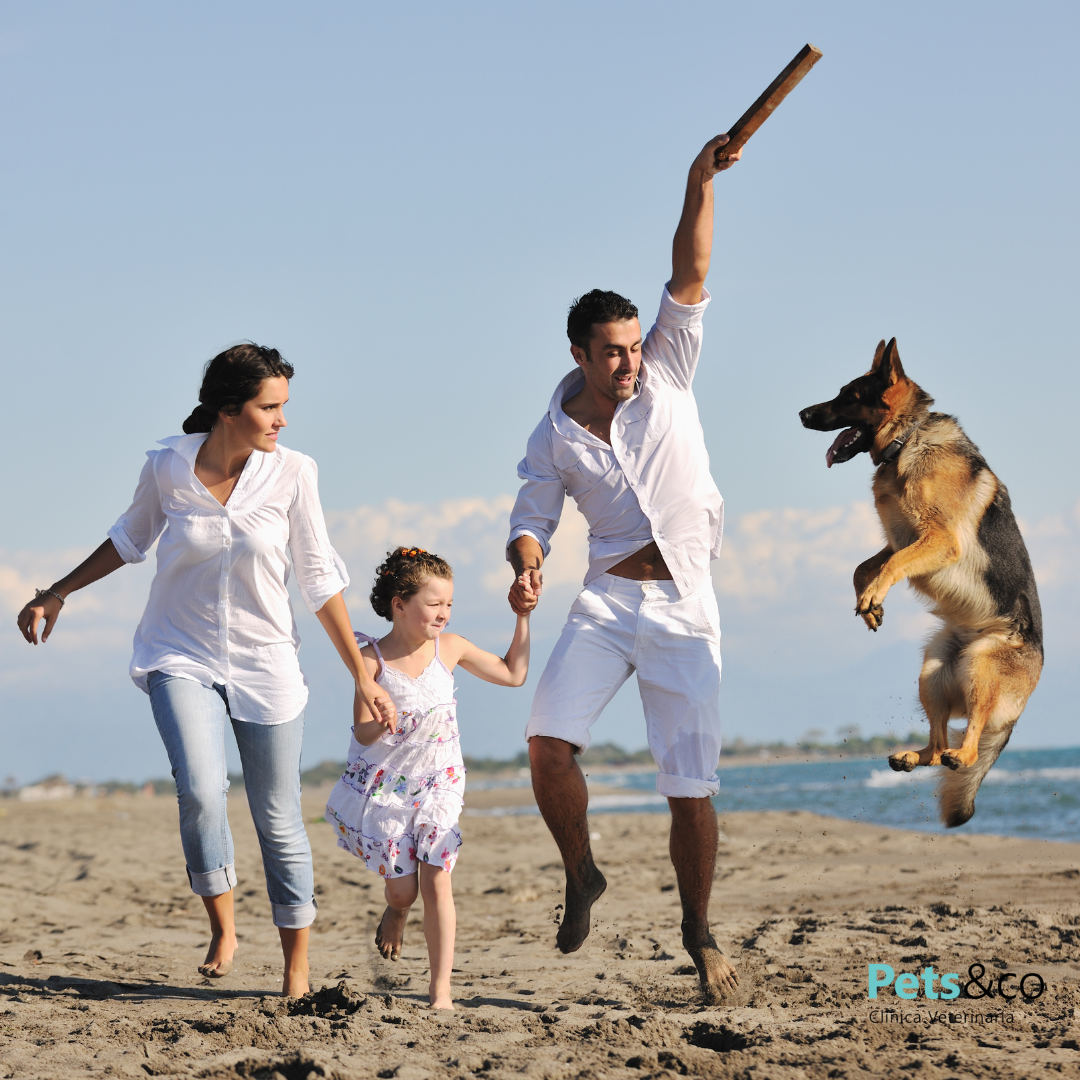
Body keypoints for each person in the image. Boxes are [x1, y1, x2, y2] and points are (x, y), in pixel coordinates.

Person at [16, 344, 395, 998]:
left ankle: (296, 969)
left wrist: (362, 675)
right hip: (178, 651)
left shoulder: (295, 473)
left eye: (283, 407)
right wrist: (57, 591)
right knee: (198, 787)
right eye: (268, 407)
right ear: (228, 410)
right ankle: (223, 922)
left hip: (266, 659)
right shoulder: (168, 466)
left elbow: (319, 578)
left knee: (276, 814)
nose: (281, 420)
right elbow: (130, 539)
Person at [506, 135, 742, 1002]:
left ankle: (698, 930)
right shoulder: (554, 433)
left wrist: (697, 182)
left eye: (635, 345)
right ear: (579, 354)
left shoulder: (671, 370)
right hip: (606, 601)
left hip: (684, 605)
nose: (630, 361)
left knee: (691, 789)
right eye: (612, 351)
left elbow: (690, 264)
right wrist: (527, 565)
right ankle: (582, 871)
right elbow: (531, 518)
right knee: (545, 746)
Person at [325, 547, 530, 1009]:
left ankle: (440, 992)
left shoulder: (450, 648)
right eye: (434, 604)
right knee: (403, 889)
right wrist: (381, 719)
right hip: (390, 790)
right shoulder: (370, 659)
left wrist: (522, 619)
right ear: (399, 603)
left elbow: (514, 674)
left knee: (438, 871)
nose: (444, 613)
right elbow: (361, 729)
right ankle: (396, 911)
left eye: (449, 605)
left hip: (441, 782)